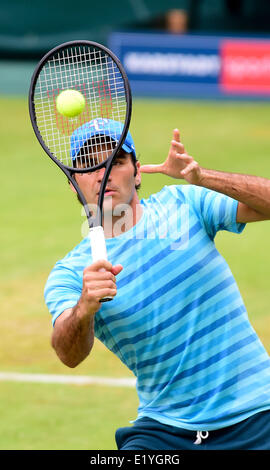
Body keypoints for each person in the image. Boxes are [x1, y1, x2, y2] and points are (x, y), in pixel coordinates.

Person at [45, 118, 270, 450]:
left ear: (137, 172)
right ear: (73, 184)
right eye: (89, 165)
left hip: (255, 415)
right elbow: (69, 355)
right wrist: (84, 308)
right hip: (165, 433)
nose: (102, 173)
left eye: (115, 161)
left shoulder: (185, 204)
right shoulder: (69, 274)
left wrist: (203, 177)